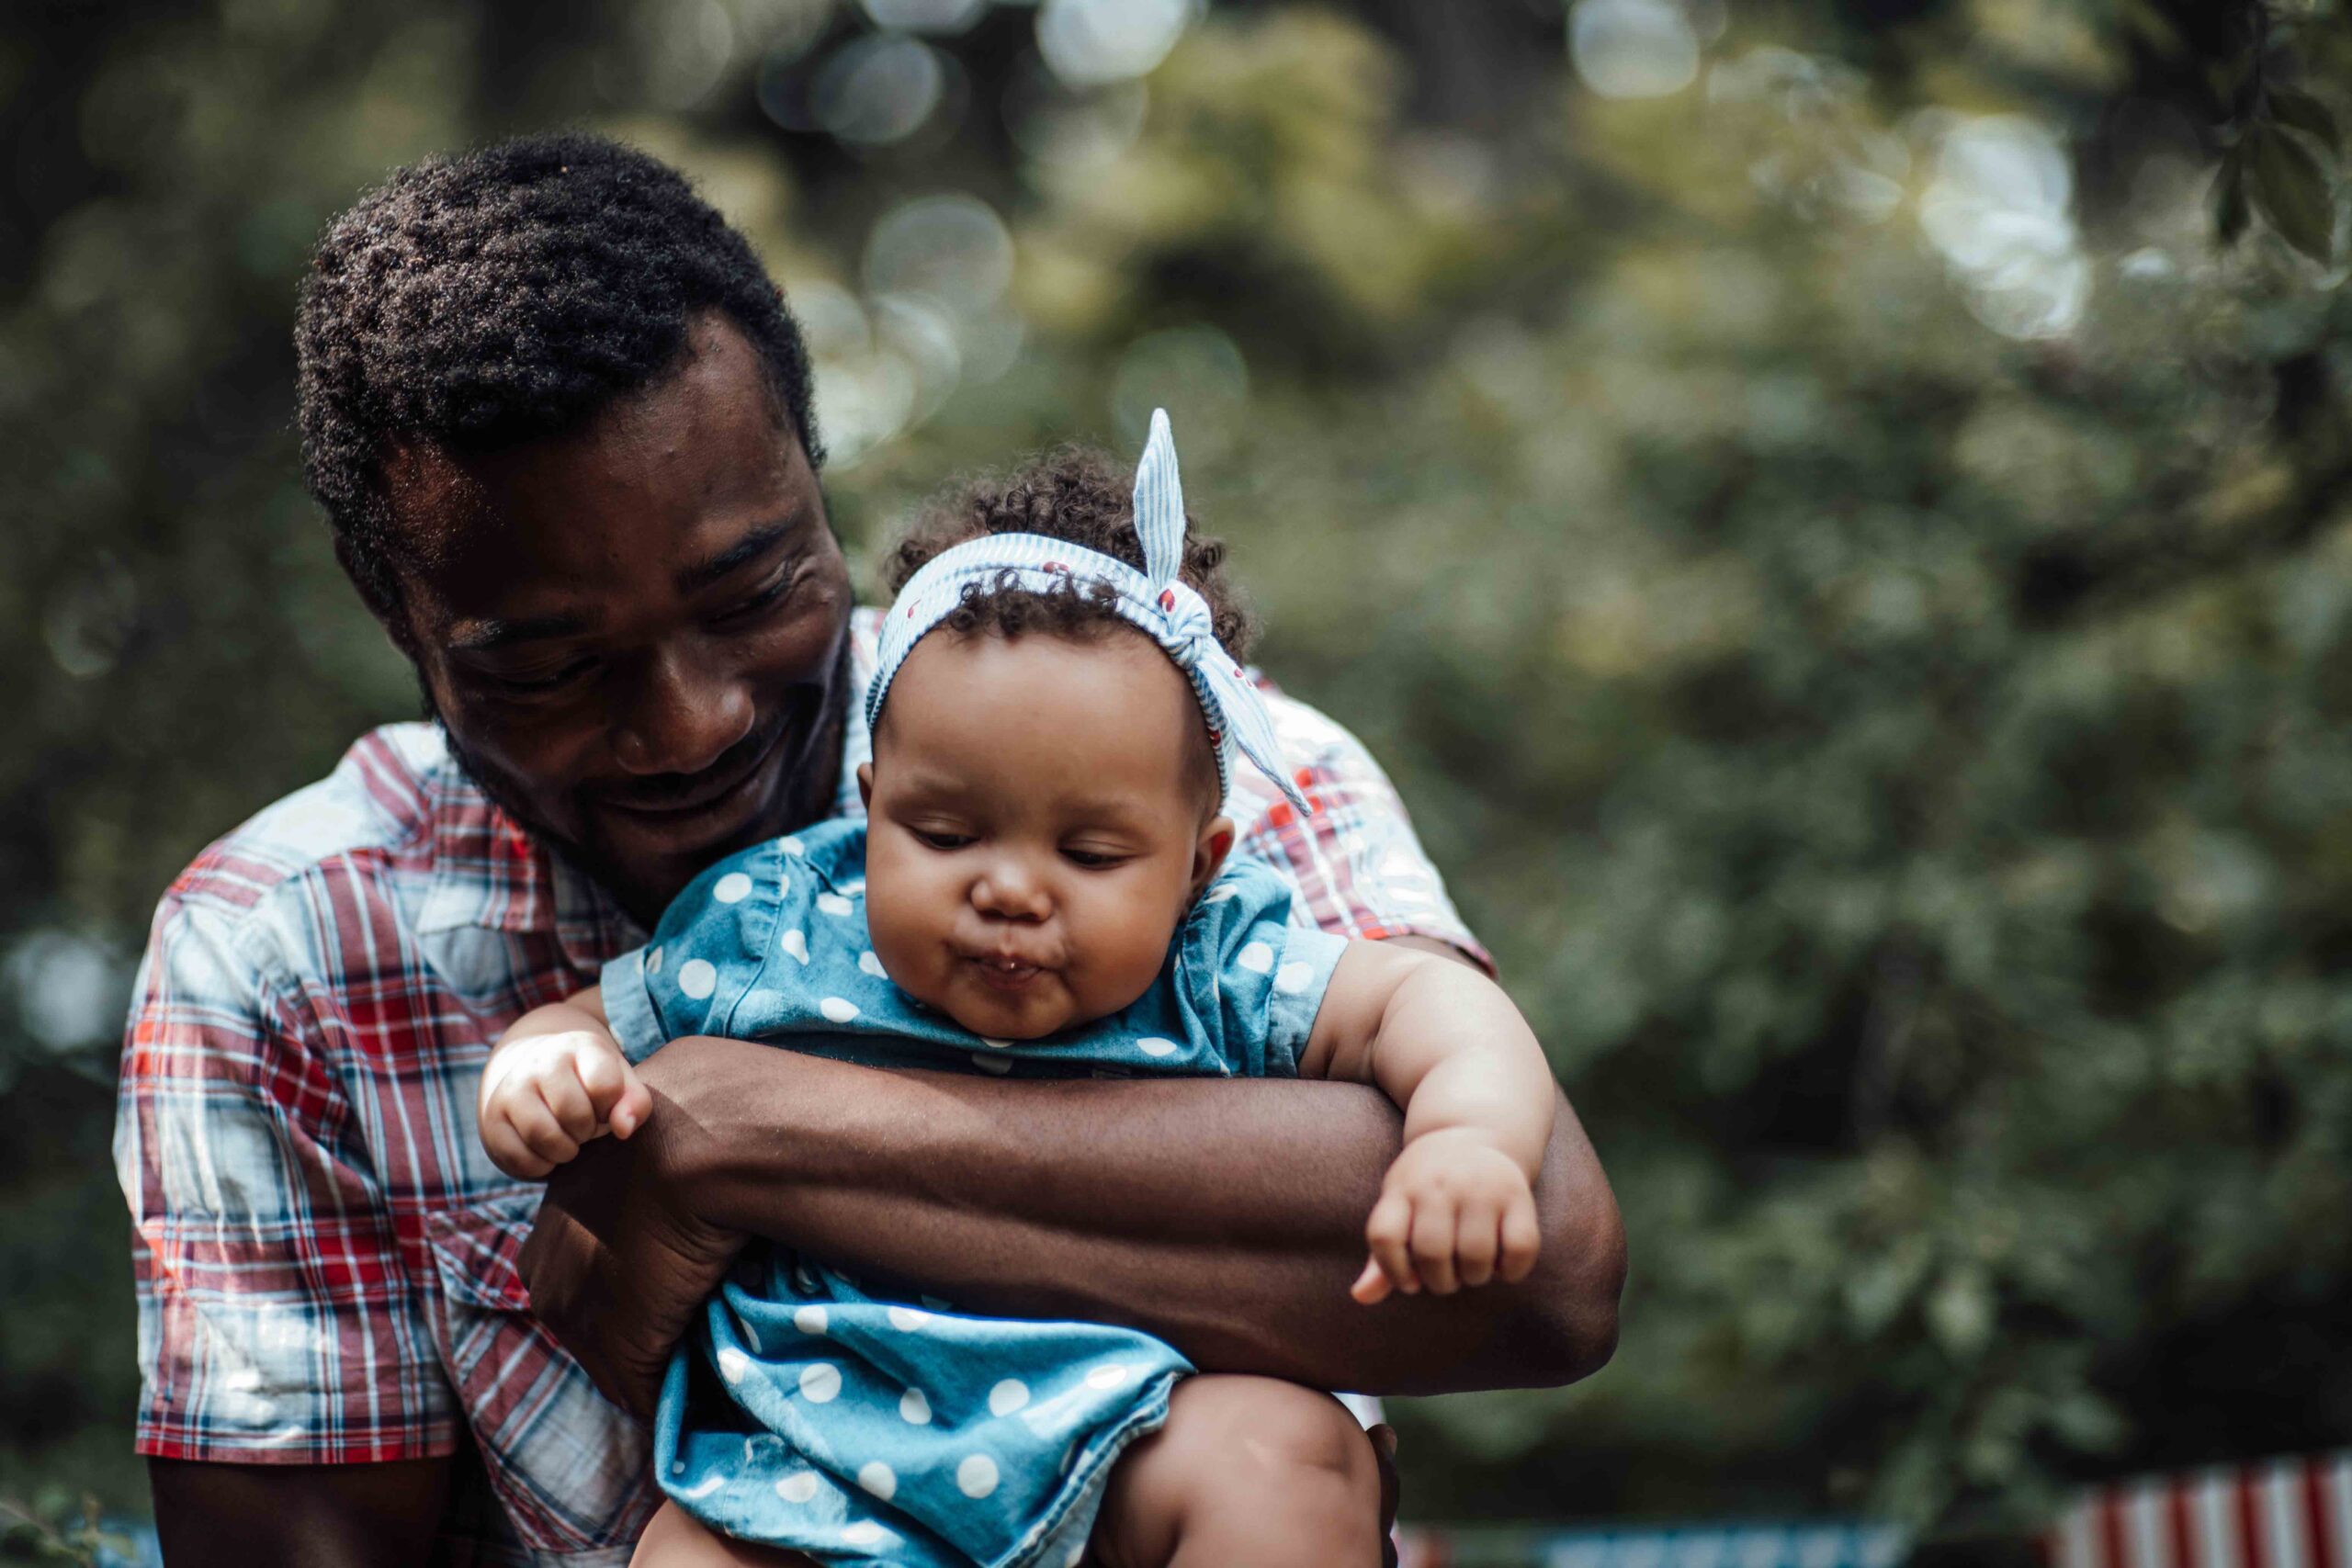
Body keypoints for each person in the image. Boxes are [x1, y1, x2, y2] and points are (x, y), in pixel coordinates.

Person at [115, 132, 1624, 1567]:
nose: (692, 721)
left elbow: (1551, 1269)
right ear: (408, 628)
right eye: (554, 663)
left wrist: (753, 1132)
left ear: (814, 484)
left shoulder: (1162, 748)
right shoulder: (286, 952)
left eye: (753, 587)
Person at [479, 413, 1558, 1567]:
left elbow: (1433, 1009)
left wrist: (1469, 1141)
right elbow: (591, 1020)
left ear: (1197, 865)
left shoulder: (1217, 958)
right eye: (943, 833)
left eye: (1090, 857)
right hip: (805, 1477)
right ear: (870, 802)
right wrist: (547, 1064)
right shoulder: (779, 925)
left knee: (1290, 1459)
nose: (1008, 890)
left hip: (1133, 1439)